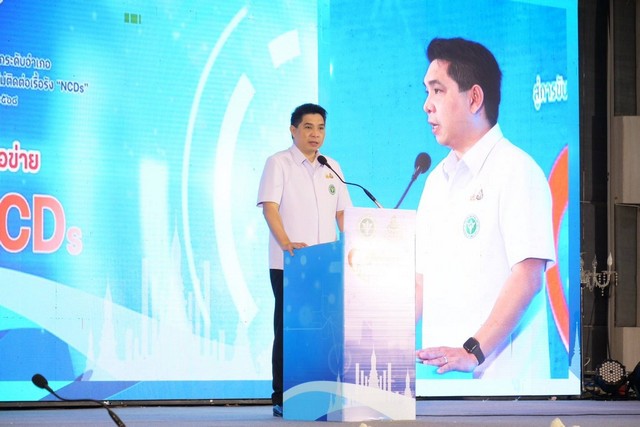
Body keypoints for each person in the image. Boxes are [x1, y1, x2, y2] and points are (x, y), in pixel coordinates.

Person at [415, 37, 556, 381]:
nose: (427, 105)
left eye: (437, 91)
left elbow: (527, 278)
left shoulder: (517, 170)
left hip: (503, 388)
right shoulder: (435, 182)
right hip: (441, 386)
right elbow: (420, 283)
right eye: (427, 92)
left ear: (474, 98)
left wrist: (472, 352)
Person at [256, 103, 352, 416]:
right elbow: (269, 207)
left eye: (321, 128)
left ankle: (321, 396)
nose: (315, 134)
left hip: (327, 265)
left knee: (325, 331)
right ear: (293, 130)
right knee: (289, 331)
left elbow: (343, 214)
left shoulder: (331, 166)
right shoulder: (278, 163)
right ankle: (282, 397)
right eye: (308, 127)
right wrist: (285, 242)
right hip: (291, 261)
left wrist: (358, 242)